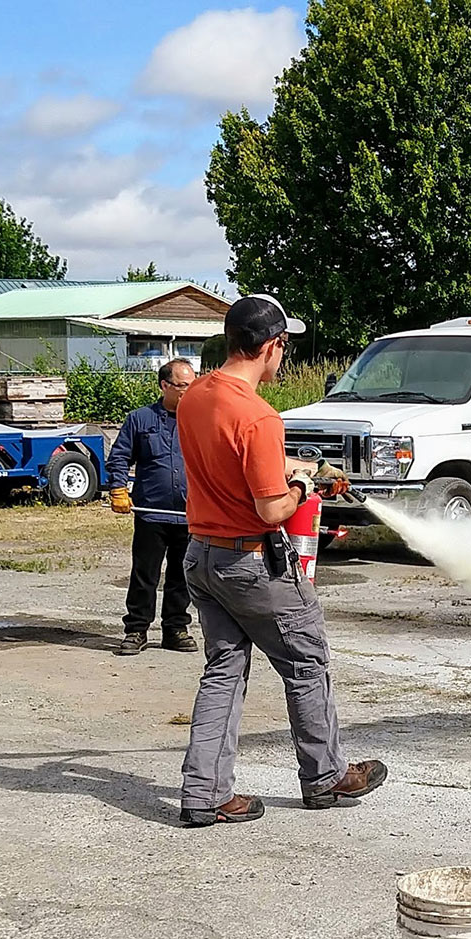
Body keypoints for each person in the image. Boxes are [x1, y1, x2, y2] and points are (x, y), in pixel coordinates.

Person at [175, 294, 387, 826]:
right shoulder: (259, 415)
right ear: (273, 346)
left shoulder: (196, 396)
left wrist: (302, 465)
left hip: (202, 556)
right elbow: (272, 506)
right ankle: (325, 777)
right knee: (305, 661)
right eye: (283, 347)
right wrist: (300, 483)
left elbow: (233, 463)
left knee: (223, 670)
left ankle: (204, 794)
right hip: (252, 563)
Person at [107, 358, 198, 657]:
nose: (189, 390)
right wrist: (118, 488)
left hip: (189, 514)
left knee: (181, 575)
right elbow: (119, 457)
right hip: (151, 513)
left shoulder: (201, 421)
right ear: (164, 385)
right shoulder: (140, 420)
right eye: (183, 385)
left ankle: (175, 629)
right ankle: (136, 630)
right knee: (145, 574)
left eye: (193, 384)